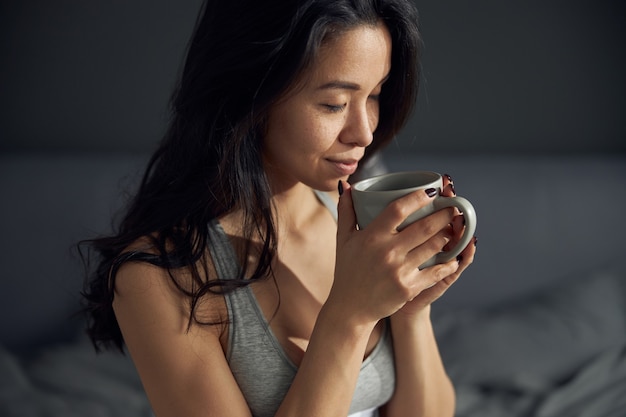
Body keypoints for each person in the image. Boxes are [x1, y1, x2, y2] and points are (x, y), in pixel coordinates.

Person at [81, 0, 477, 416]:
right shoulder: (157, 277)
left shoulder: (361, 199)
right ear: (252, 92)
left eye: (375, 95)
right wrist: (349, 316)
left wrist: (412, 310)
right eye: (334, 104)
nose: (364, 132)